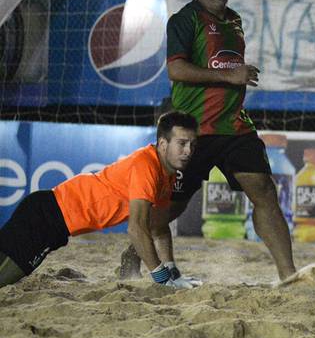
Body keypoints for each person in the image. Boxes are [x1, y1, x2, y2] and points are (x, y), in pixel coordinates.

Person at [118, 0, 315, 287]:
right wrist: (230, 76)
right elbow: (176, 70)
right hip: (193, 130)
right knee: (167, 211)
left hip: (234, 127)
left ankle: (288, 275)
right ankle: (135, 247)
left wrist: (234, 77)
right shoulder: (184, 20)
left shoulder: (235, 20)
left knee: (265, 192)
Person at [1, 112, 200, 288]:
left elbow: (159, 227)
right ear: (163, 144)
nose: (189, 151)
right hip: (45, 218)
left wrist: (172, 271)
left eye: (192, 144)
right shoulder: (146, 165)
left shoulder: (168, 174)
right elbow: (136, 228)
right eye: (182, 143)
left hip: (52, 220)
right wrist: (162, 279)